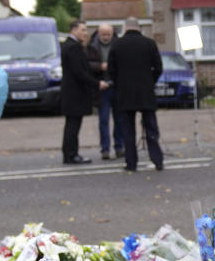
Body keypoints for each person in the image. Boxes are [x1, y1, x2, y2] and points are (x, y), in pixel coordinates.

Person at [109, 17, 164, 172]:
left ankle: (131, 163)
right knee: (151, 127)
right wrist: (150, 82)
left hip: (125, 93)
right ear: (139, 28)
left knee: (128, 130)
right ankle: (157, 159)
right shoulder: (149, 44)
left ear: (125, 28)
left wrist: (119, 84)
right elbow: (158, 68)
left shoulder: (117, 45)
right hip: (145, 92)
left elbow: (111, 71)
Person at [60, 19, 108, 165]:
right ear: (73, 30)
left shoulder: (68, 45)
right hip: (75, 94)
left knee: (71, 125)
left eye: (86, 30)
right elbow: (79, 72)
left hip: (70, 93)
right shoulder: (73, 47)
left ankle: (70, 154)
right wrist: (96, 84)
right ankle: (71, 155)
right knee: (73, 126)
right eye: (82, 30)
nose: (85, 33)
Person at [87, 23, 125, 160]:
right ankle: (105, 149)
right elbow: (87, 64)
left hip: (116, 86)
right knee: (103, 120)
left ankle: (120, 147)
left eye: (108, 34)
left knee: (119, 119)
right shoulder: (91, 46)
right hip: (102, 88)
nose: (106, 37)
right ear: (98, 33)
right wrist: (99, 67)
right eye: (103, 34)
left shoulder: (118, 44)